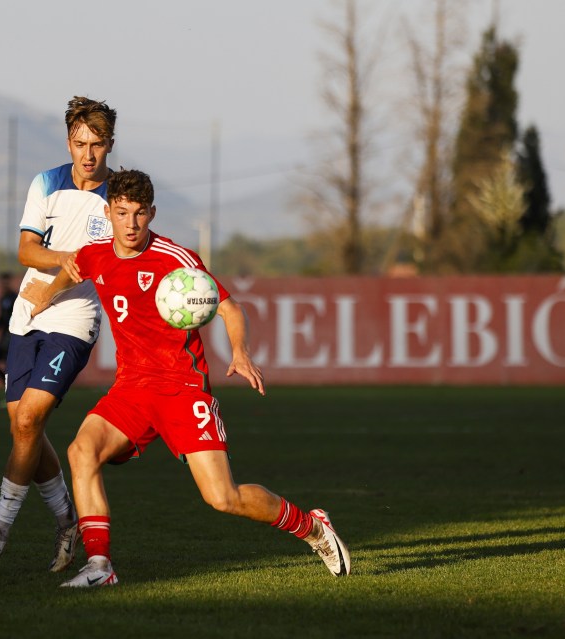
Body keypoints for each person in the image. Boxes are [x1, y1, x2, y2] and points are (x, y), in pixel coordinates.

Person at [21, 169, 350, 587]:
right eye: (122, 213)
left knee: (222, 498)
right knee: (81, 451)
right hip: (132, 387)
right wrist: (42, 301)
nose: (131, 224)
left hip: (181, 389)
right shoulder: (94, 253)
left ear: (152, 213)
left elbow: (230, 309)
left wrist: (240, 352)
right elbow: (72, 269)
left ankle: (311, 525)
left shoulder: (176, 260)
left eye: (140, 214)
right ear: (109, 212)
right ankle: (99, 567)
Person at [0, 96, 116, 573]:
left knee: (29, 420)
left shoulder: (117, 196)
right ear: (68, 142)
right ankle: (67, 519)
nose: (87, 154)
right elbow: (26, 250)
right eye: (79, 143)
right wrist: (63, 258)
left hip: (74, 320)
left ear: (110, 143)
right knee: (23, 427)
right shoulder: (46, 182)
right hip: (29, 313)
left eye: (96, 144)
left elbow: (115, 257)